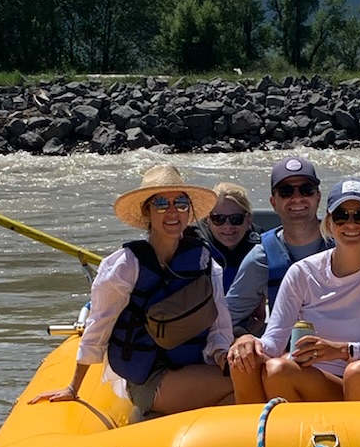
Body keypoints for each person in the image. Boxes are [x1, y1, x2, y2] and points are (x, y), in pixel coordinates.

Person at [32, 163, 233, 420]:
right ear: (147, 212)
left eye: (180, 203)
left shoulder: (204, 260)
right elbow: (98, 328)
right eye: (161, 203)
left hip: (197, 367)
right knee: (242, 384)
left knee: (246, 386)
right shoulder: (124, 266)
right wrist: (73, 387)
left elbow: (219, 327)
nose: (172, 212)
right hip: (152, 378)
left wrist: (223, 357)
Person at [228, 178, 360, 405]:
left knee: (355, 371)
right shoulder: (302, 273)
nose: (351, 224)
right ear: (329, 224)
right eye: (341, 216)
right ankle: (256, 435)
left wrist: (343, 351)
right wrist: (247, 341)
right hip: (312, 379)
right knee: (253, 362)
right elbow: (273, 343)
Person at [224, 155, 326, 334]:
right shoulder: (260, 258)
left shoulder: (346, 245)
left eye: (306, 189)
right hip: (284, 356)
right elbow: (226, 321)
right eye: (286, 191)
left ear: (318, 197)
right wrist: (243, 338)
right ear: (273, 202)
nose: (297, 198)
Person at [199, 181, 258, 275]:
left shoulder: (262, 246)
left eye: (235, 219)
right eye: (218, 219)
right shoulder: (196, 246)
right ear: (208, 220)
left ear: (248, 220)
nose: (228, 226)